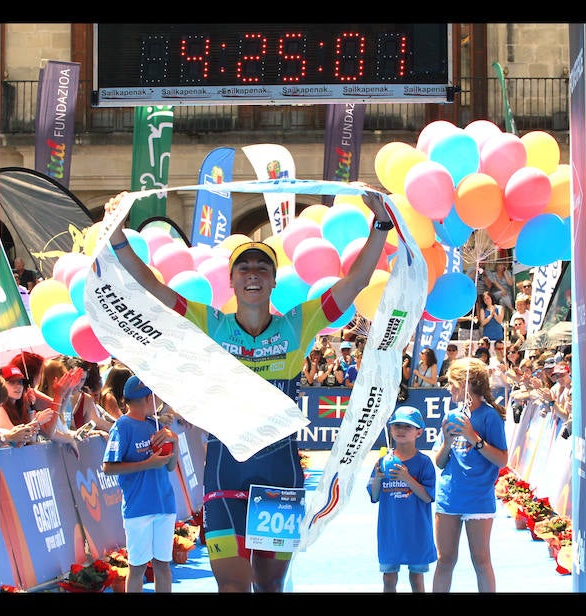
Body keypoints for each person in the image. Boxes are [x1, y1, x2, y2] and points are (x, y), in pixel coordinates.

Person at [103, 183, 394, 592]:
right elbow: (152, 287)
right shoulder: (211, 324)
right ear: (232, 281)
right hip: (225, 474)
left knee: (270, 588)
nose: (253, 274)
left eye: (262, 268)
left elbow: (356, 280)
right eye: (244, 268)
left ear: (274, 281)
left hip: (280, 475)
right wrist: (116, 236)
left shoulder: (298, 323)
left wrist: (381, 223)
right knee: (234, 589)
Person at [431, 357, 508, 592]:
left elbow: (502, 460)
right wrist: (447, 441)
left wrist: (473, 437)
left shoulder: (490, 416)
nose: (448, 388)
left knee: (481, 561)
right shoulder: (451, 415)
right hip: (449, 496)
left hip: (479, 498)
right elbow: (440, 462)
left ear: (465, 384)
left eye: (452, 382)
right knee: (444, 561)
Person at [102, 375, 179, 593]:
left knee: (162, 565)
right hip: (138, 508)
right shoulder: (122, 426)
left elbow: (170, 466)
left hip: (164, 504)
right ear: (147, 398)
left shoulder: (155, 424)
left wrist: (175, 441)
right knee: (137, 567)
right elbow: (108, 467)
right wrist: (148, 463)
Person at [367, 407, 437, 593]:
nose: (401, 429)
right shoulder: (382, 461)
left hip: (416, 531)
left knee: (416, 578)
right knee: (389, 578)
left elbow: (427, 496)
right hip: (391, 530)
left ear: (419, 432)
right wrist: (379, 478)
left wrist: (407, 479)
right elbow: (374, 496)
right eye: (397, 425)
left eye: (408, 426)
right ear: (390, 429)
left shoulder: (424, 463)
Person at [0, 365, 80, 456]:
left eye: (20, 382)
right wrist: (37, 422)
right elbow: (19, 441)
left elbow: (33, 439)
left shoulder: (24, 402)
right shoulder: (0, 409)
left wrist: (68, 390)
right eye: (11, 382)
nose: (17, 386)